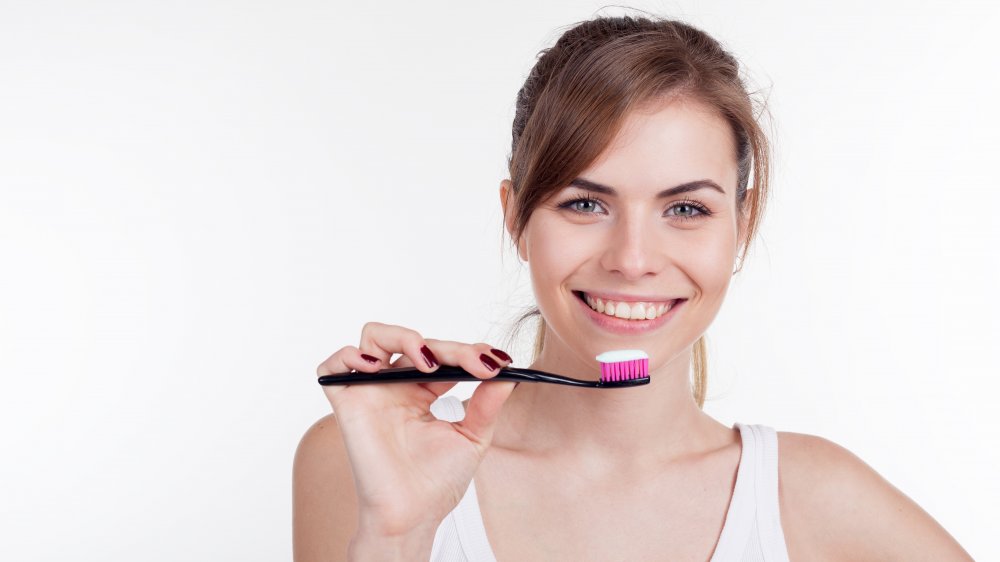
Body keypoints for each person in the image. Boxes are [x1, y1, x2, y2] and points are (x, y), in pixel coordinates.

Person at [293, 14, 974, 562]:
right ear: (515, 217)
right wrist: (395, 538)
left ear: (743, 223)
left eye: (686, 209)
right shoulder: (361, 461)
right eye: (585, 204)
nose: (633, 259)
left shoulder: (818, 499)